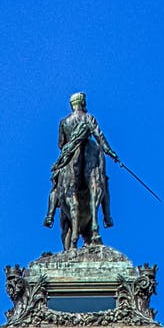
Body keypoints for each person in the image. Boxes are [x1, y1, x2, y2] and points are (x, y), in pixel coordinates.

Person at [43, 92, 119, 251]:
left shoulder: (64, 122)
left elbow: (61, 144)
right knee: (101, 182)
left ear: (72, 105)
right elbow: (99, 136)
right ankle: (106, 217)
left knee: (57, 186)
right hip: (91, 152)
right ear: (83, 103)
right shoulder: (89, 118)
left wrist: (69, 148)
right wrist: (110, 152)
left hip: (71, 154)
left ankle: (49, 214)